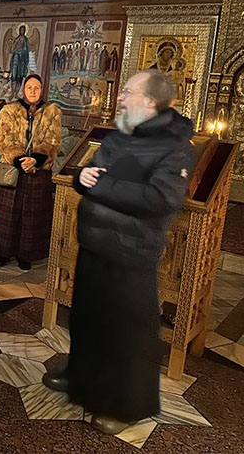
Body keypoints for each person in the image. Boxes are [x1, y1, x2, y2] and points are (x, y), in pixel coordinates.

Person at [42, 70, 194, 435]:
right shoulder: (121, 133)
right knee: (87, 317)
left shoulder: (175, 146)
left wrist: (103, 185)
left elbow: (161, 198)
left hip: (132, 252)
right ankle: (81, 376)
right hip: (95, 242)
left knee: (126, 331)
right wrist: (83, 179)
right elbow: (89, 173)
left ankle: (128, 404)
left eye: (128, 92)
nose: (120, 98)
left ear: (150, 102)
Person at [0, 74, 62, 270]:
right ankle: (2, 252)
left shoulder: (52, 111)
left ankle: (26, 255)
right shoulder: (10, 110)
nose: (33, 91)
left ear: (42, 90)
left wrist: (36, 159)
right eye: (29, 88)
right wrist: (21, 161)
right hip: (13, 170)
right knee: (8, 215)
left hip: (39, 171)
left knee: (32, 217)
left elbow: (53, 141)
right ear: (23, 90)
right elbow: (5, 140)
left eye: (37, 87)